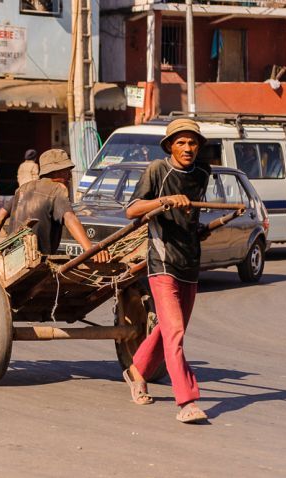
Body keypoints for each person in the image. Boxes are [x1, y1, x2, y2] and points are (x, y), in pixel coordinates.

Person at [123, 118, 211, 424]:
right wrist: (163, 201)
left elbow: (191, 216)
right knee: (174, 332)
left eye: (193, 143)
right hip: (162, 261)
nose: (188, 148)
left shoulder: (203, 173)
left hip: (190, 260)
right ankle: (187, 400)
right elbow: (132, 209)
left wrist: (198, 228)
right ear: (170, 146)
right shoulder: (157, 171)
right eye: (181, 143)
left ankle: (136, 372)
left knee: (169, 331)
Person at [0, 149, 109, 268]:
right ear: (55, 173)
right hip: (37, 260)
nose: (70, 176)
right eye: (67, 171)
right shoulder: (57, 190)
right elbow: (70, 218)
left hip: (10, 258)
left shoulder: (22, 189)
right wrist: (90, 249)